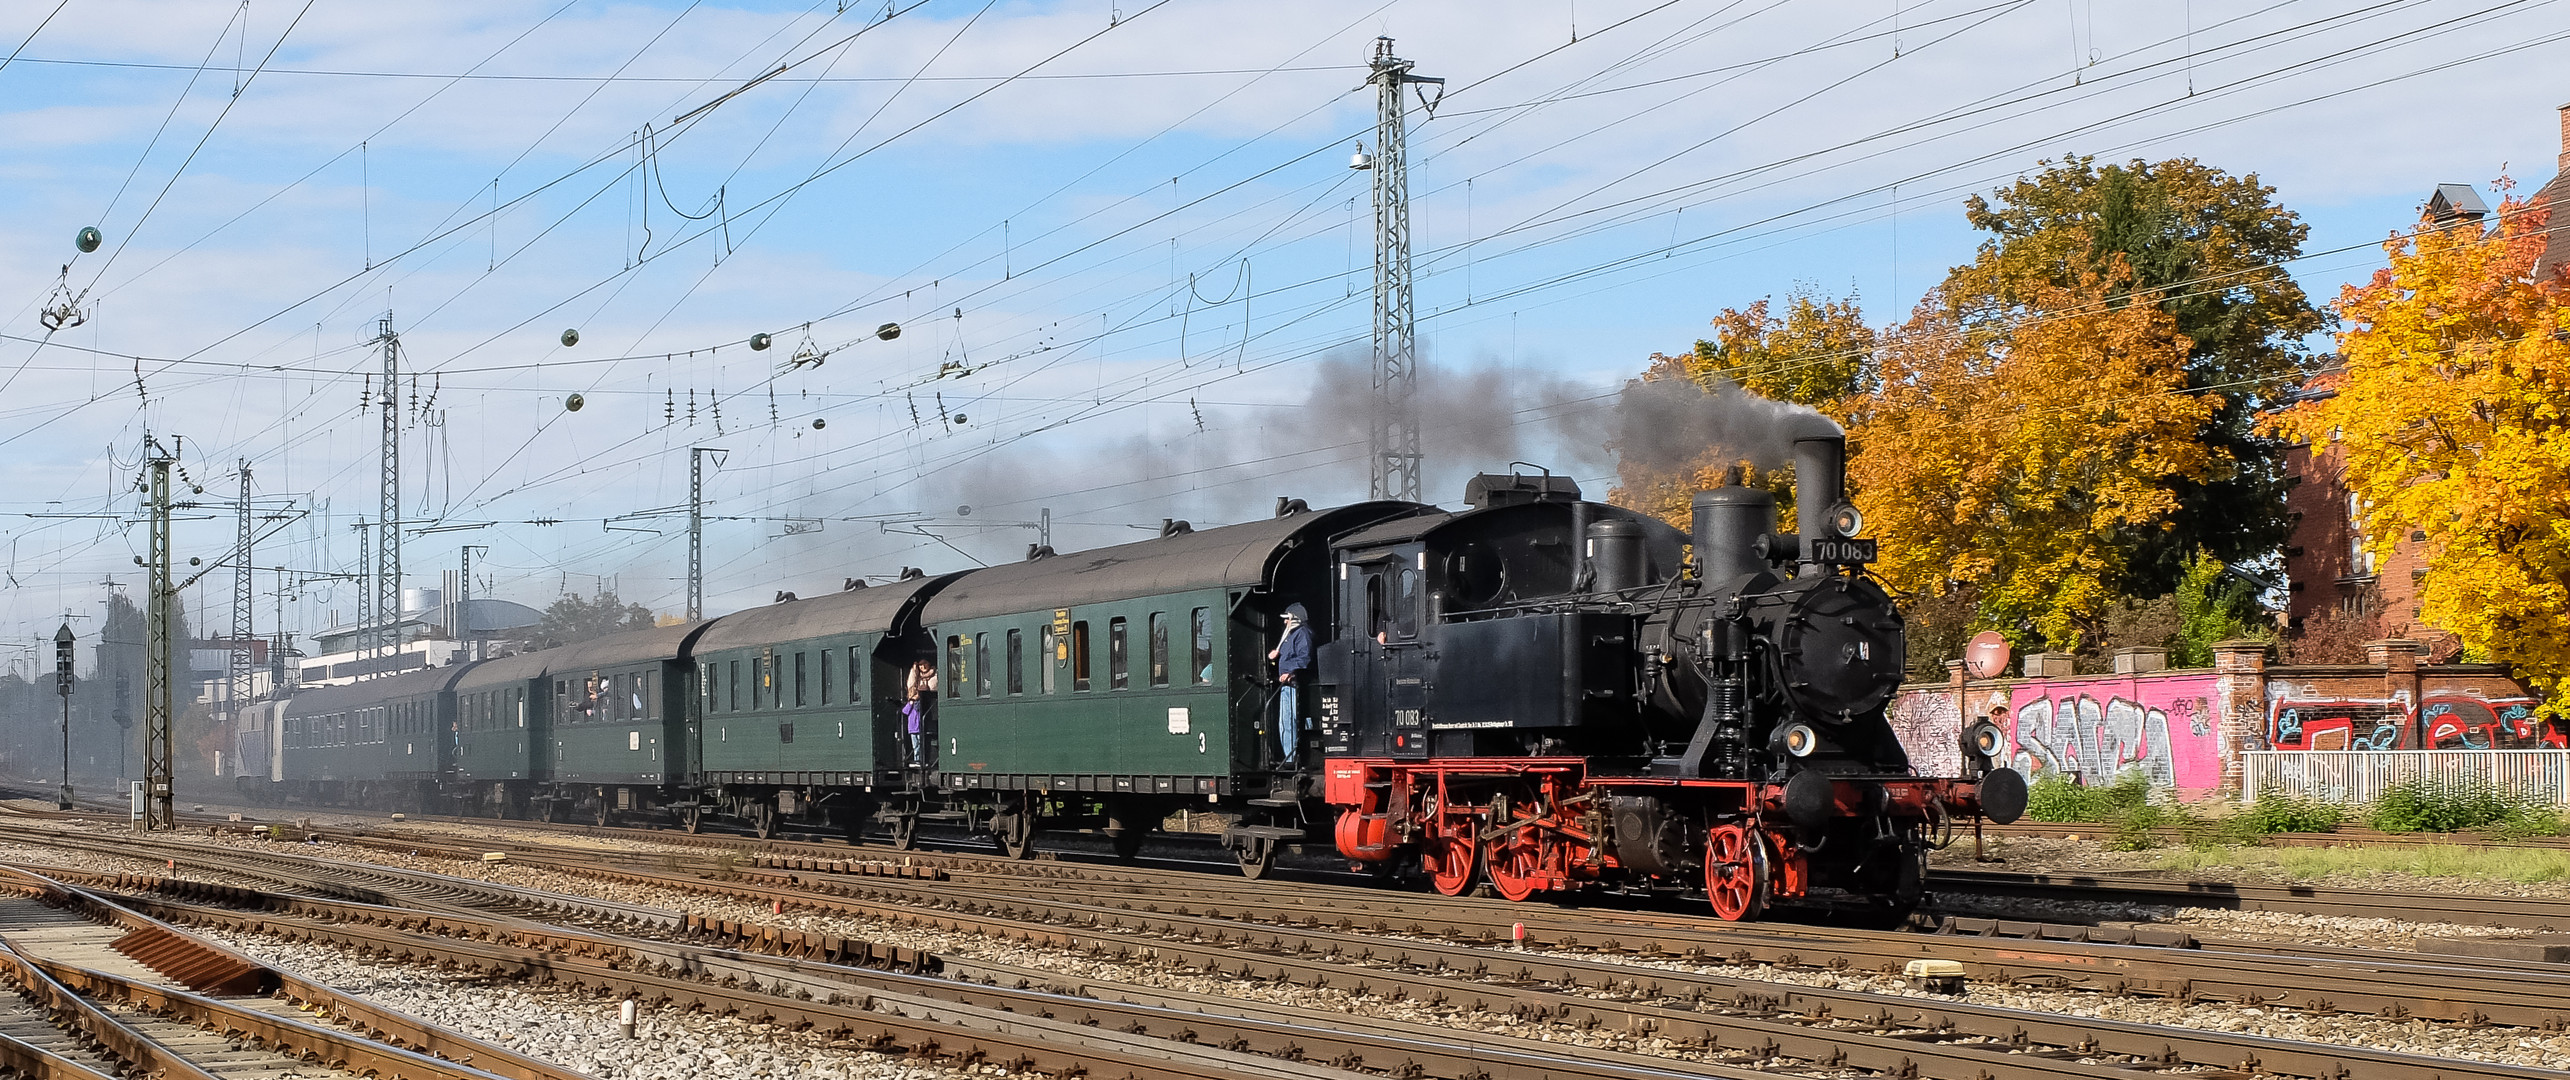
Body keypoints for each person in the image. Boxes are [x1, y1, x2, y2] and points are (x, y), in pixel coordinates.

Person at [1267, 603, 1313, 765]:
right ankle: (1289, 756)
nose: (1285, 622)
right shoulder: (1288, 636)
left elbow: (1304, 658)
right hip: (1286, 685)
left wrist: (1291, 672)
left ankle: (1295, 757)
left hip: (1295, 684)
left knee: (1293, 720)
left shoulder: (1302, 634)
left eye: (1287, 619)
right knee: (1285, 723)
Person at [902, 658, 938, 767]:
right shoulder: (916, 676)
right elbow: (911, 685)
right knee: (916, 745)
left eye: (924, 664)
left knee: (922, 743)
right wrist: (914, 670)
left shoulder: (935, 674)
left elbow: (934, 687)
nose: (922, 667)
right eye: (920, 665)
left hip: (928, 712)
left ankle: (923, 759)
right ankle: (917, 759)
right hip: (913, 727)